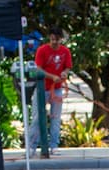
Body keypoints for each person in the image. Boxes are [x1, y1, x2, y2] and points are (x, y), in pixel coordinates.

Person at [34, 27, 72, 155]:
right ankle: (33, 145)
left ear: (61, 39)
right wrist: (51, 76)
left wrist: (64, 73)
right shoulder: (42, 50)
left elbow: (67, 67)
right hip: (42, 89)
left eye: (56, 39)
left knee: (56, 118)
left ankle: (54, 144)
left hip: (56, 89)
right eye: (52, 39)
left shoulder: (65, 51)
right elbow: (38, 69)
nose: (54, 42)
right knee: (37, 117)